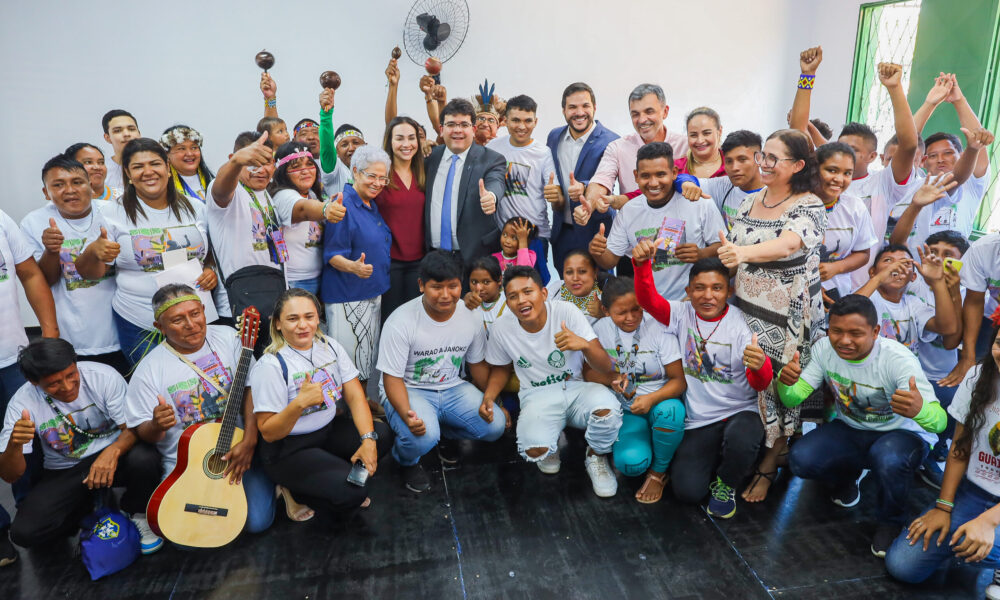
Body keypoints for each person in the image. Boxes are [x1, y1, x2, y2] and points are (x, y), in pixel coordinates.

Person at [779, 294, 947, 557]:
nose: (844, 340)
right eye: (836, 331)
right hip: (853, 427)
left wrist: (920, 410)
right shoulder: (824, 349)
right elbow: (793, 398)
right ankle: (850, 475)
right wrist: (784, 381)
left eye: (855, 333)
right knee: (801, 459)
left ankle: (891, 521)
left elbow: (940, 422)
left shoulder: (897, 359)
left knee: (888, 458)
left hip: (902, 433)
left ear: (875, 331)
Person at [717, 128, 826, 502]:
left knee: (780, 387)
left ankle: (768, 466)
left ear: (797, 166)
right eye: (763, 155)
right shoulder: (750, 201)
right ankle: (752, 452)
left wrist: (742, 254)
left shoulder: (810, 205)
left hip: (787, 315)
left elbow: (787, 245)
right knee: (754, 382)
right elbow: (732, 250)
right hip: (746, 308)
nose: (763, 163)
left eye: (773, 158)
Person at [633, 242, 772, 518]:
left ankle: (727, 483)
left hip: (740, 412)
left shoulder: (741, 326)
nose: (708, 296)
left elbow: (760, 384)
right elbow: (648, 300)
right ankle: (723, 459)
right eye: (699, 288)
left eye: (717, 288)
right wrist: (641, 266)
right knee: (687, 492)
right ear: (688, 292)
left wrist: (761, 367)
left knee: (742, 438)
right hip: (701, 419)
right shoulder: (680, 314)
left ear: (728, 292)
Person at [124, 284, 274, 534]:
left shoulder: (228, 337)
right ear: (160, 327)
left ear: (204, 310)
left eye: (195, 314)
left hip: (238, 453)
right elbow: (145, 434)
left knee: (256, 523)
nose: (191, 324)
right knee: (184, 533)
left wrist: (249, 440)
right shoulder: (149, 370)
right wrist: (156, 425)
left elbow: (251, 388)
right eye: (177, 320)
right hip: (189, 466)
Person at [0, 339, 162, 554]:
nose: (67, 387)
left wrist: (112, 451)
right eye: (54, 383)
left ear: (75, 363)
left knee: (145, 458)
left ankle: (137, 511)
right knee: (25, 533)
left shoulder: (103, 376)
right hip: (67, 467)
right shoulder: (22, 403)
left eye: (71, 375)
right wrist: (14, 444)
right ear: (33, 382)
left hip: (116, 454)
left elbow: (133, 429)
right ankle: (86, 510)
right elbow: (10, 475)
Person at [249, 288, 392, 516]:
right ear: (277, 323)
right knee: (354, 492)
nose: (303, 325)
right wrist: (299, 404)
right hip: (288, 449)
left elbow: (355, 396)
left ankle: (329, 474)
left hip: (326, 432)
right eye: (292, 319)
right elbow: (269, 432)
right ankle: (295, 490)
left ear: (318, 318)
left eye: (309, 316)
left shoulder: (330, 346)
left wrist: (368, 440)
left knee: (380, 436)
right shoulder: (270, 366)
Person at [482, 266, 622, 497]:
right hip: (537, 395)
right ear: (507, 302)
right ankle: (550, 439)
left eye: (528, 292)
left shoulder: (566, 311)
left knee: (608, 411)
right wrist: (490, 397)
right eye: (513, 296)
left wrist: (584, 345)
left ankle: (596, 456)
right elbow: (501, 369)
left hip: (577, 389)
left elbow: (605, 366)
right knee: (534, 450)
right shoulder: (501, 328)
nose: (522, 300)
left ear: (544, 293)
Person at [75, 138, 214, 367]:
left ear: (167, 168)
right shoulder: (111, 213)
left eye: (155, 164)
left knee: (199, 380)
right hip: (140, 321)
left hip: (194, 319)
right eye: (138, 167)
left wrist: (210, 269)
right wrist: (94, 252)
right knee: (156, 383)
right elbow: (89, 273)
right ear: (128, 173)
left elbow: (208, 254)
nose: (148, 172)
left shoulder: (196, 207)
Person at [885, 322, 1000, 591]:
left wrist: (987, 522)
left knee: (974, 542)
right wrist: (944, 507)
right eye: (999, 343)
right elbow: (959, 448)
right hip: (973, 492)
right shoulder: (978, 376)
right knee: (902, 565)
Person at [378, 251, 506, 492]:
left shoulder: (471, 316)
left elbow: (477, 364)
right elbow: (391, 379)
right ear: (421, 285)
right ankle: (405, 460)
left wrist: (493, 400)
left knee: (495, 425)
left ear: (461, 284)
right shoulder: (400, 321)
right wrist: (406, 414)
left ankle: (441, 429)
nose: (446, 295)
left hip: (452, 387)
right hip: (409, 389)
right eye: (436, 287)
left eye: (453, 286)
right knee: (423, 436)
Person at [791, 52, 920, 290]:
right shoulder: (817, 178)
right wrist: (807, 76)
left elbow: (909, 144)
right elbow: (796, 133)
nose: (843, 153)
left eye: (853, 150)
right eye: (840, 146)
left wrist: (895, 89)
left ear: (872, 156)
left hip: (858, 287)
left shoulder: (883, 183)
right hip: (805, 285)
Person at [19, 155, 126, 373]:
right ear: (46, 192)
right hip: (70, 339)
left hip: (122, 332)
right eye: (58, 185)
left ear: (91, 186)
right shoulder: (34, 222)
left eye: (77, 182)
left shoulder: (114, 212)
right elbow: (44, 281)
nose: (69, 190)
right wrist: (51, 251)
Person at [587, 276, 686, 504]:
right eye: (621, 312)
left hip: (660, 402)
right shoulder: (599, 330)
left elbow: (679, 381)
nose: (631, 317)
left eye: (636, 309)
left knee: (671, 413)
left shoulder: (658, 327)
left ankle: (658, 472)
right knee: (631, 465)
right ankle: (656, 441)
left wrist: (651, 398)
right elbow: (588, 373)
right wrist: (612, 378)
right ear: (605, 310)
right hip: (627, 410)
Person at [589, 142, 724, 300]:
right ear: (636, 176)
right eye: (646, 176)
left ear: (674, 173)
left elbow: (723, 246)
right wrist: (597, 251)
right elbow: (609, 261)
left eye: (660, 174)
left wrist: (702, 254)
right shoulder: (628, 211)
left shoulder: (699, 203)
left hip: (693, 303)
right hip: (650, 307)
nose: (653, 183)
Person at [0, 208, 58, 565]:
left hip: (12, 355)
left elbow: (29, 273)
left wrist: (49, 332)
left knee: (27, 438)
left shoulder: (0, 218)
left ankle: (32, 511)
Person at [323, 145, 392, 388]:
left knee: (364, 360)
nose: (378, 183)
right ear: (355, 172)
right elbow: (332, 254)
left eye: (383, 178)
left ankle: (362, 404)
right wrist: (353, 267)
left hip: (370, 293)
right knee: (348, 368)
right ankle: (350, 409)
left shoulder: (369, 203)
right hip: (348, 296)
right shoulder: (342, 205)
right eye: (372, 176)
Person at [909, 230, 968, 488]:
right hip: (916, 371)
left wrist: (951, 291)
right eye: (933, 252)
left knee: (956, 402)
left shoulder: (969, 292)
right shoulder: (913, 285)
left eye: (948, 255)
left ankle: (935, 449)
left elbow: (951, 341)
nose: (939, 259)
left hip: (944, 372)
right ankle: (922, 451)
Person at [545, 82, 619, 274]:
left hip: (596, 232)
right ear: (564, 110)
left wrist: (585, 187)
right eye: (572, 107)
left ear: (594, 107)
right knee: (565, 287)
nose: (579, 112)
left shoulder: (612, 141)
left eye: (585, 106)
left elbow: (608, 182)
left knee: (601, 288)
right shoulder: (554, 137)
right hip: (563, 233)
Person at [583, 84, 689, 216]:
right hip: (633, 225)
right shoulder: (617, 148)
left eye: (649, 112)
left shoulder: (686, 145)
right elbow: (601, 181)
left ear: (665, 112)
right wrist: (589, 205)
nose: (642, 120)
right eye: (635, 114)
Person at [424, 98, 507, 264]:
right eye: (451, 124)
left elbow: (496, 182)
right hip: (432, 255)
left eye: (464, 125)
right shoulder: (429, 157)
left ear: (473, 129)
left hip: (474, 257)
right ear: (441, 129)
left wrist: (491, 197)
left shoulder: (492, 159)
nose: (457, 130)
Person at [486, 94, 556, 284]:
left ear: (535, 122)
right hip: (503, 236)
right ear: (505, 121)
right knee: (502, 290)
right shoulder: (493, 148)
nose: (522, 126)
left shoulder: (543, 153)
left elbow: (554, 191)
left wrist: (555, 195)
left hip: (535, 236)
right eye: (516, 120)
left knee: (534, 287)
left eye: (528, 121)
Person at [889, 128, 994, 253]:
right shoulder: (915, 185)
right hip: (912, 261)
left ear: (961, 156)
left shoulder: (967, 183)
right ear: (923, 161)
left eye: (948, 153)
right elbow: (908, 141)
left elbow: (957, 176)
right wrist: (915, 205)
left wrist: (972, 150)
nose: (940, 160)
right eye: (933, 156)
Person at [269, 141, 346, 295]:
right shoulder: (283, 196)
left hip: (318, 278)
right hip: (294, 282)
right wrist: (325, 209)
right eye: (296, 167)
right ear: (283, 172)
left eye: (309, 164)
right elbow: (303, 209)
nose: (305, 171)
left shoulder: (311, 194)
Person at [855, 244, 959, 354]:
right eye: (888, 260)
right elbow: (846, 310)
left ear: (913, 276)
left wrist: (937, 282)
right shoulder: (868, 295)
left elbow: (947, 328)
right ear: (872, 272)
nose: (896, 266)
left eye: (905, 263)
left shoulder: (913, 303)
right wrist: (878, 279)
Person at [375, 116, 427, 320]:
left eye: (411, 138)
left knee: (416, 320)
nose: (406, 144)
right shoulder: (380, 174)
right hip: (389, 263)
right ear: (390, 141)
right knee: (391, 319)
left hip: (420, 262)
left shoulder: (425, 171)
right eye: (399, 138)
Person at [811, 142, 878, 301]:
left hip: (837, 296)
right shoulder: (796, 203)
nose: (839, 179)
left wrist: (837, 267)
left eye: (847, 173)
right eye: (832, 170)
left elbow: (863, 254)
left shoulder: (855, 207)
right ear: (815, 170)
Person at [942, 226, 1000, 398]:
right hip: (992, 320)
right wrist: (968, 357)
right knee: (975, 380)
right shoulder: (983, 249)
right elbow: (974, 302)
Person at [678, 130, 764, 232]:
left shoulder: (775, 193)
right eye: (729, 161)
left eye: (742, 159)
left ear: (759, 159)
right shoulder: (723, 185)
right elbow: (679, 178)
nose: (734, 167)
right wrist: (687, 183)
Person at [547, 249, 603, 324]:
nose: (575, 278)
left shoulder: (605, 301)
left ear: (594, 273)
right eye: (569, 272)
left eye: (582, 271)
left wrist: (604, 314)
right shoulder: (556, 289)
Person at [160, 125, 214, 203]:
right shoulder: (163, 188)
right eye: (181, 149)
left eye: (194, 148)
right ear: (167, 154)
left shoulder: (214, 182)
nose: (189, 153)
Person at [676, 107, 725, 178]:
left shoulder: (734, 165)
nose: (700, 141)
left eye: (706, 133)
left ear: (719, 131)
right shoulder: (675, 168)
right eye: (693, 135)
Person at [101, 109, 140, 195]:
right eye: (118, 131)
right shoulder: (102, 170)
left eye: (131, 129)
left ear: (139, 134)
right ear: (107, 138)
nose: (126, 134)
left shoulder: (155, 165)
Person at [473, 81, 506, 146]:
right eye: (481, 119)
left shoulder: (504, 147)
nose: (485, 124)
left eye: (491, 120)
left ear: (497, 126)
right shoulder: (463, 146)